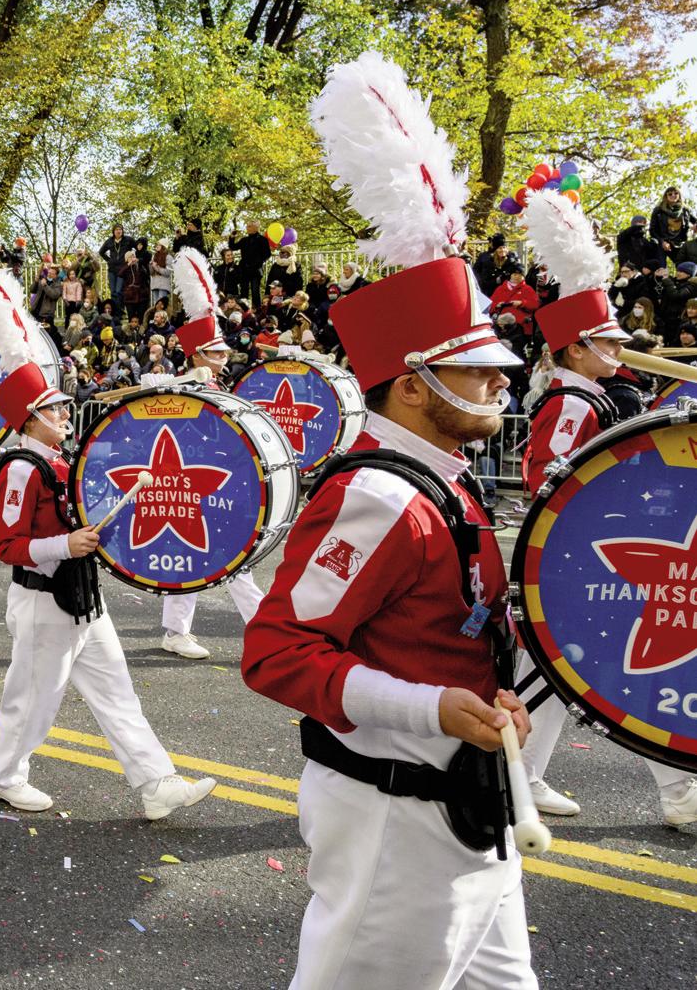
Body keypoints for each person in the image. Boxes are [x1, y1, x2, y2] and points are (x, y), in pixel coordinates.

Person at [244, 50, 538, 989]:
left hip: (465, 796)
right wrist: (427, 708)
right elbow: (276, 653)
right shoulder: (377, 497)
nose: (500, 383)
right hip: (396, 815)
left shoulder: (444, 477)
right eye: (476, 370)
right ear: (412, 385)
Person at [0, 266, 218, 819]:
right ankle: (3, 777)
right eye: (54, 409)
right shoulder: (20, 468)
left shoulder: (62, 459)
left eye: (62, 407)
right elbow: (8, 546)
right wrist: (66, 545)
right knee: (34, 702)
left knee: (117, 691)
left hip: (82, 593)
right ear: (30, 419)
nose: (64, 414)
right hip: (44, 600)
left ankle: (156, 783)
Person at [515, 190, 697, 829]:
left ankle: (522, 779)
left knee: (578, 669)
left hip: (587, 551)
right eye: (608, 344)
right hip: (576, 554)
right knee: (592, 667)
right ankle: (516, 779)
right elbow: (552, 480)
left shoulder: (595, 395)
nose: (620, 352)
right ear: (575, 349)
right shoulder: (572, 402)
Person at [153, 249, 269, 659]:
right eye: (215, 353)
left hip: (217, 480)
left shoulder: (216, 385)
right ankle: (262, 630)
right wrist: (187, 381)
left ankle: (260, 629)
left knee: (225, 557)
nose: (223, 358)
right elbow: (155, 398)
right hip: (189, 478)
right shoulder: (181, 385)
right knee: (202, 555)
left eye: (222, 353)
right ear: (196, 355)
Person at [488, 268, 539, 336]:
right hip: (501, 326)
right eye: (514, 274)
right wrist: (497, 305)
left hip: (520, 327)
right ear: (510, 275)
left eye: (520, 275)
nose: (517, 276)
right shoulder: (500, 289)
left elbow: (535, 305)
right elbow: (489, 306)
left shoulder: (528, 289)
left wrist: (521, 303)